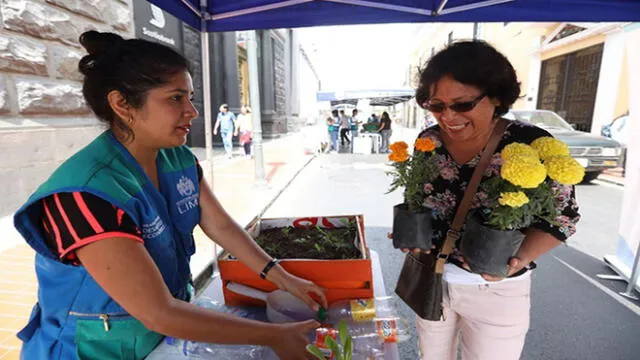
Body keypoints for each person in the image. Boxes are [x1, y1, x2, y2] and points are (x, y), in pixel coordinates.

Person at [13, 31, 326, 360]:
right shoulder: (86, 194)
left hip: (163, 338)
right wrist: (273, 336)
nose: (191, 110)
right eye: (176, 98)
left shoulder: (178, 159)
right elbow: (158, 312)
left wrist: (284, 278)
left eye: (190, 97)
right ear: (122, 104)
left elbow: (220, 225)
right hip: (93, 349)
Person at [402, 40, 581, 360]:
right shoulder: (427, 141)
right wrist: (413, 235)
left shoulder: (531, 142)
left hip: (496, 291)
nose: (448, 116)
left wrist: (515, 261)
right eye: (437, 105)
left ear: (496, 97)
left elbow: (562, 218)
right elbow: (418, 197)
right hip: (432, 279)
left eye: (462, 104)